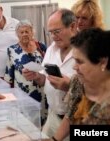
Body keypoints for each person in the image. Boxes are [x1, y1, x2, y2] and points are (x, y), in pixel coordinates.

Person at [22, 9, 77, 141]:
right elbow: (44, 80)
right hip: (53, 116)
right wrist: (37, 76)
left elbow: (94, 90)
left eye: (57, 31)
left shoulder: (87, 50)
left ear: (73, 26)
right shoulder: (52, 48)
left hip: (76, 120)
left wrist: (68, 85)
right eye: (50, 32)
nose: (53, 36)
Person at [49, 28, 110, 141]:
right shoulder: (79, 82)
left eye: (80, 62)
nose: (74, 67)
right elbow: (71, 114)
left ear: (103, 62)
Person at [4, 20, 48, 124]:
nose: (24, 34)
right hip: (23, 95)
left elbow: (47, 67)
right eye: (21, 32)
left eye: (27, 31)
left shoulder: (41, 47)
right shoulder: (12, 50)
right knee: (26, 124)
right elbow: (8, 75)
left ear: (32, 32)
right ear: (17, 34)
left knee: (43, 123)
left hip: (42, 93)